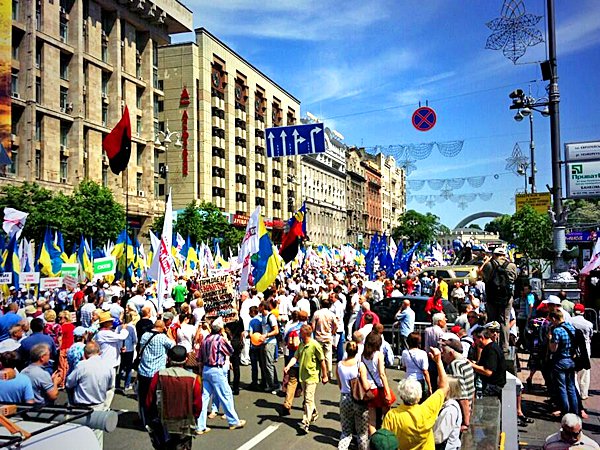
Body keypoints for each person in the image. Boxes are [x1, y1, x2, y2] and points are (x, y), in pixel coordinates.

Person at [382, 347, 449, 449]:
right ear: (420, 395)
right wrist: (439, 361)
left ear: (401, 395)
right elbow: (444, 387)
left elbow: (386, 442)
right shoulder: (427, 409)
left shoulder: (392, 416)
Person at [146, 345, 202, 450]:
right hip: (185, 423)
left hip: (163, 421)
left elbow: (149, 400)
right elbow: (197, 404)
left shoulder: (159, 375)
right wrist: (195, 417)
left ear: (169, 358)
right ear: (186, 359)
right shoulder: (194, 379)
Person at [196, 318, 245, 435]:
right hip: (216, 369)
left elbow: (200, 357)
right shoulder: (220, 339)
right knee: (226, 394)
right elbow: (230, 351)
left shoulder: (206, 339)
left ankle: (200, 426)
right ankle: (233, 421)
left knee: (204, 397)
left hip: (206, 369)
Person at [66, 341, 114, 449]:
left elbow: (69, 383)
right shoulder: (108, 367)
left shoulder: (81, 366)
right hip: (99, 406)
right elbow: (110, 387)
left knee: (79, 438)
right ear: (99, 352)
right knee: (97, 438)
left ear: (84, 354)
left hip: (80, 408)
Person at [283, 323, 328, 434]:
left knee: (307, 399)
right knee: (309, 398)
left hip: (312, 376)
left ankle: (305, 422)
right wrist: (288, 366)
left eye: (301, 333)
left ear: (305, 334)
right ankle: (314, 413)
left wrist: (325, 375)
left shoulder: (315, 345)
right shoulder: (302, 345)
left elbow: (322, 360)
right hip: (303, 376)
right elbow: (295, 357)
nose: (299, 334)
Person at [478, 247, 517, 353]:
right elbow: (514, 278)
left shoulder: (488, 265)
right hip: (506, 298)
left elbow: (480, 273)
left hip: (492, 297)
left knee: (492, 320)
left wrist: (487, 260)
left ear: (494, 255)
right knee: (505, 321)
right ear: (504, 255)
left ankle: (491, 344)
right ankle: (505, 347)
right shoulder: (511, 266)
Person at [138, 320, 175, 427]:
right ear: (163, 327)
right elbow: (173, 345)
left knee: (143, 397)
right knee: (156, 398)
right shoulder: (163, 338)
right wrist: (168, 334)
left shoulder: (145, 335)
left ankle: (144, 420)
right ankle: (155, 420)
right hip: (157, 372)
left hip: (144, 371)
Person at [337, 340, 370, 450]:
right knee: (362, 431)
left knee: (346, 430)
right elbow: (365, 386)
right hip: (358, 399)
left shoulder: (340, 365)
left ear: (346, 351)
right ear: (357, 352)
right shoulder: (359, 365)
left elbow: (340, 384)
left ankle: (342, 447)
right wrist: (370, 384)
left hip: (345, 397)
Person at [548, 310, 580, 417]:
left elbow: (553, 349)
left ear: (554, 318)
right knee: (571, 386)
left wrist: (550, 339)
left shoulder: (557, 331)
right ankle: (575, 411)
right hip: (571, 360)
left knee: (562, 387)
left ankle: (565, 411)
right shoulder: (572, 328)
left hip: (560, 360)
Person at [362, 331, 394, 435]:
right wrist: (387, 391)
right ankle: (385, 439)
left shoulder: (363, 355)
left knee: (372, 421)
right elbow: (382, 374)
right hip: (379, 388)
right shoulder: (378, 355)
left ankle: (373, 441)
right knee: (387, 417)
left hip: (369, 389)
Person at [440, 338, 475, 432]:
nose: (442, 354)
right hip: (468, 410)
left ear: (451, 354)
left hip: (460, 415)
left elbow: (462, 396)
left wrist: (465, 423)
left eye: (443, 352)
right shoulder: (466, 362)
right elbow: (472, 390)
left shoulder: (455, 365)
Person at [311, 296, 337, 380]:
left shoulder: (317, 313)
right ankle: (329, 371)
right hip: (328, 336)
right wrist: (333, 331)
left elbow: (313, 326)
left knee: (318, 356)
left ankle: (318, 372)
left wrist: (313, 332)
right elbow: (336, 324)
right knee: (328, 355)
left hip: (318, 337)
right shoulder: (331, 314)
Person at [571, 303, 593, 400]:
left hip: (573, 348)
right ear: (583, 312)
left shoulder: (570, 322)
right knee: (585, 371)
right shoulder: (589, 324)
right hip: (586, 348)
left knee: (573, 371)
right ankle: (584, 393)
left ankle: (576, 391)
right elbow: (591, 335)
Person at [432, 377, 462, 450]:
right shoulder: (447, 405)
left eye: (440, 387)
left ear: (448, 390)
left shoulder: (450, 410)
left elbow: (439, 436)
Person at [401, 332, 431, 401]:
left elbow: (404, 367)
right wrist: (429, 386)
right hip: (419, 380)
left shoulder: (405, 352)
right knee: (419, 401)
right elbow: (425, 371)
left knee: (409, 400)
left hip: (408, 379)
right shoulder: (423, 353)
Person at [258, 300, 280, 393]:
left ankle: (275, 385)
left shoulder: (270, 317)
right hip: (263, 342)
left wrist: (266, 335)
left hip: (270, 342)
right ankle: (268, 383)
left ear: (263, 307)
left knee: (269, 364)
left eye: (260, 306)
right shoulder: (262, 317)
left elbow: (276, 331)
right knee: (264, 364)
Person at [116, 311, 137, 392]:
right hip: (129, 349)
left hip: (120, 349)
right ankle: (126, 385)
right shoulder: (132, 328)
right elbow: (135, 339)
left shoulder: (118, 328)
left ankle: (117, 384)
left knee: (121, 367)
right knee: (128, 368)